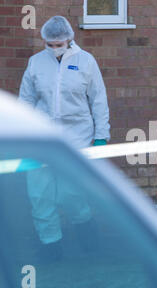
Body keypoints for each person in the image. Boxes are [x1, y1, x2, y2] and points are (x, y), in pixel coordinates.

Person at [19, 16, 110, 262]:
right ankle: (50, 246)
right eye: (51, 44)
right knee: (40, 195)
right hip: (41, 139)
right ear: (45, 41)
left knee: (70, 193)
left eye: (60, 43)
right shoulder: (36, 63)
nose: (55, 48)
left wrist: (101, 136)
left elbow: (98, 100)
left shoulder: (86, 62)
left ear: (70, 39)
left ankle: (86, 226)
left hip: (76, 138)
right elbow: (26, 101)